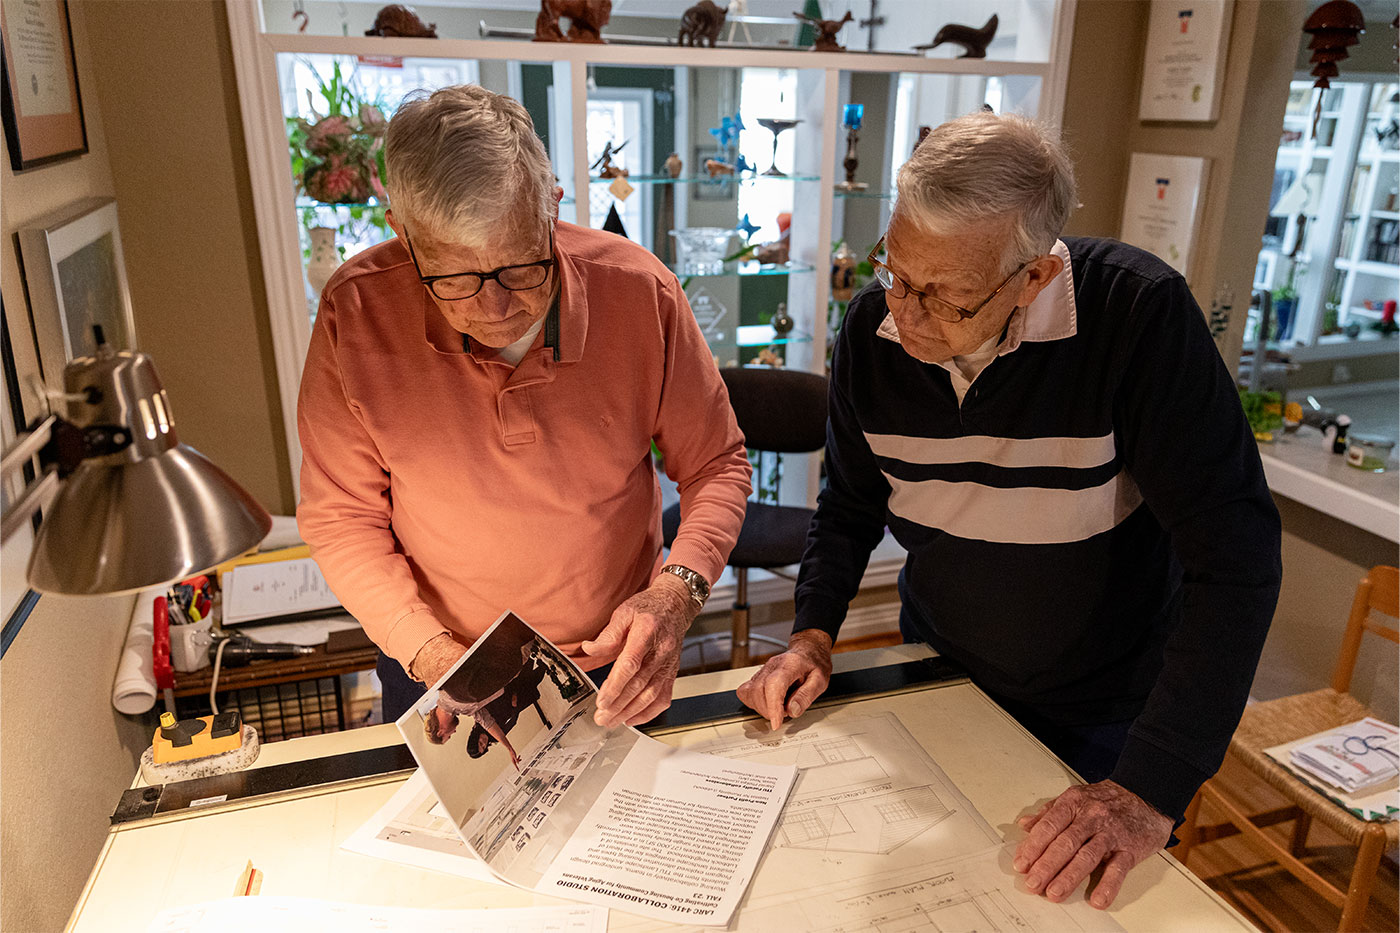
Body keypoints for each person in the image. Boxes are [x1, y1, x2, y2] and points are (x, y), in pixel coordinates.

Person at [737, 112, 1281, 910]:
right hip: (945, 676)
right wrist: (814, 635)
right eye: (898, 273)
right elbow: (851, 501)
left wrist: (1149, 787)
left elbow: (1235, 563)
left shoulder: (1138, 316)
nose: (907, 318)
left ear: (1033, 276)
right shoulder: (873, 330)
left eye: (946, 297)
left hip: (1111, 712)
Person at [298, 85, 751, 731]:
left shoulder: (641, 291)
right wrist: (430, 653)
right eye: (454, 278)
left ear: (552, 205)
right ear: (402, 233)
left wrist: (677, 592)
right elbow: (342, 517)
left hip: (611, 659)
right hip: (437, 663)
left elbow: (718, 464)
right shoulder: (356, 312)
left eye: (522, 267)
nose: (495, 307)